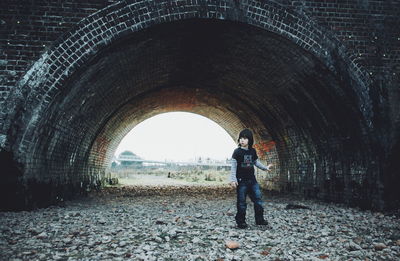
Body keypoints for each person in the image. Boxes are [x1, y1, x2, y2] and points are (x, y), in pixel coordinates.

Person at [229, 129, 273, 229]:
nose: (242, 140)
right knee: (241, 202)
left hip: (252, 181)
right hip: (241, 181)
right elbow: (233, 166)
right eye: (240, 138)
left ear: (250, 140)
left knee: (258, 200)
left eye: (244, 138)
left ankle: (260, 219)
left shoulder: (252, 151)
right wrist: (233, 179)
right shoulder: (237, 152)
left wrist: (265, 168)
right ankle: (241, 222)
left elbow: (256, 162)